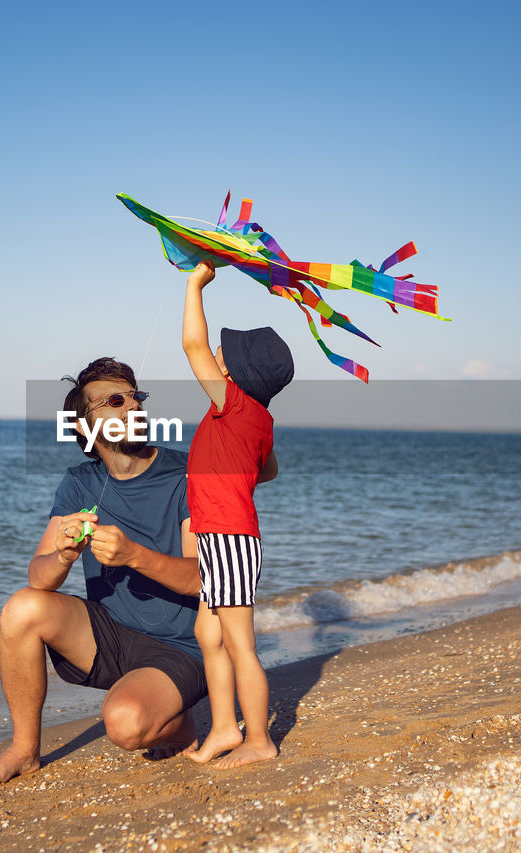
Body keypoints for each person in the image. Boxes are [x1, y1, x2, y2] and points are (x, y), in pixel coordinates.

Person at [0, 357, 206, 789]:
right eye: (115, 400)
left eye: (136, 397)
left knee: (125, 725)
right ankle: (24, 749)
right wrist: (62, 555)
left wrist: (134, 555)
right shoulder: (80, 482)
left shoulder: (185, 472)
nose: (132, 406)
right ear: (84, 427)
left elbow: (202, 579)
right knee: (22, 609)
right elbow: (39, 578)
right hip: (109, 634)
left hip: (181, 646)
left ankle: (178, 716)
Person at [180, 260, 294, 768]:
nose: (215, 350)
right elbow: (267, 471)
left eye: (224, 349)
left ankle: (260, 739)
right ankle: (226, 726)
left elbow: (191, 345)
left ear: (231, 372)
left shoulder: (233, 404)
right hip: (220, 535)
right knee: (208, 633)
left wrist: (194, 285)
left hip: (227, 537)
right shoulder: (256, 418)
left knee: (239, 644)